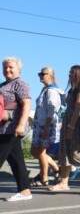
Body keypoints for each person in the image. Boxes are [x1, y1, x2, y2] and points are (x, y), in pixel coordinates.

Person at [49, 65, 80, 191]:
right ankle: (64, 183)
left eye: (71, 72)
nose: (69, 74)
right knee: (66, 153)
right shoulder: (72, 89)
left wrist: (70, 126)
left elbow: (78, 108)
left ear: (78, 74)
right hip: (69, 122)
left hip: (77, 124)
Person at [0, 57, 33, 201]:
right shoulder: (2, 85)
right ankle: (25, 192)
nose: (7, 69)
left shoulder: (20, 84)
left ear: (18, 69)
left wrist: (21, 124)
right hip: (3, 128)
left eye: (11, 67)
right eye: (5, 67)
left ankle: (25, 191)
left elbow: (26, 104)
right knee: (16, 160)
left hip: (12, 129)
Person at [29, 66, 62, 187]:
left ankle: (44, 177)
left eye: (43, 74)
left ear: (51, 76)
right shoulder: (45, 89)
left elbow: (52, 111)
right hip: (40, 125)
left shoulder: (52, 91)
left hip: (46, 125)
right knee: (35, 151)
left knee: (41, 152)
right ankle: (55, 168)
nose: (41, 76)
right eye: (40, 74)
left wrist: (47, 128)